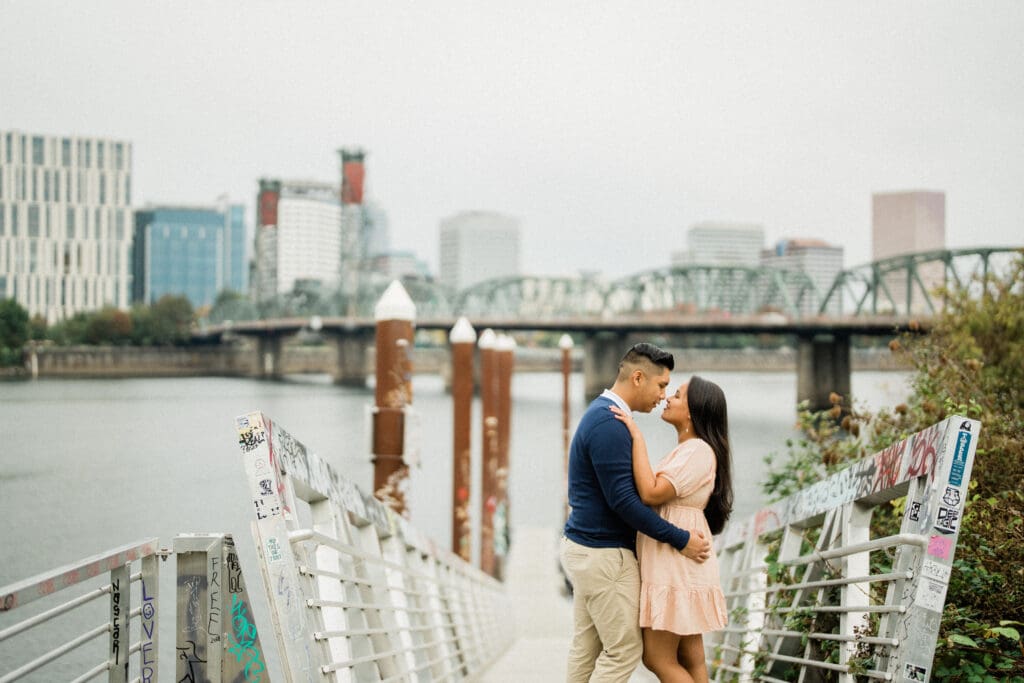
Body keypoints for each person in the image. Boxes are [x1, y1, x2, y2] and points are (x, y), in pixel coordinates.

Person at [561, 343, 712, 682]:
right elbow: (625, 503)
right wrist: (681, 539)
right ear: (639, 377)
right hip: (604, 554)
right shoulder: (609, 424)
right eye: (661, 386)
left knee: (587, 649)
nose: (663, 395)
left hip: (587, 549)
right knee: (624, 651)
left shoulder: (605, 417)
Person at [610, 375, 733, 683]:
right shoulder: (691, 450)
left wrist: (637, 438)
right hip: (679, 560)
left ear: (692, 411)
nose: (667, 398)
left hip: (675, 562)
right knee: (690, 658)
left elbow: (651, 493)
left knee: (657, 657)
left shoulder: (697, 451)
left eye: (677, 395)